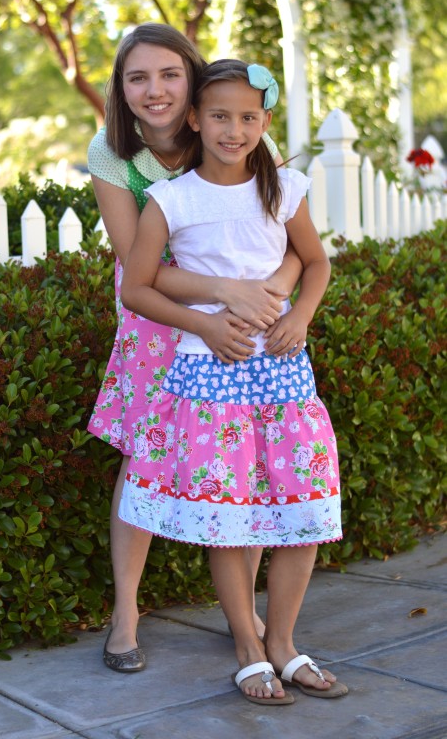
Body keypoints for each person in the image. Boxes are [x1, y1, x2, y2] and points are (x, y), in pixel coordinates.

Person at [119, 58, 348, 704]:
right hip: (210, 372)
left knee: (305, 504)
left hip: (284, 372)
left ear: (265, 121)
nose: (234, 129)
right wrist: (207, 325)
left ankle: (283, 641)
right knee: (232, 514)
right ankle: (247, 649)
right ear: (195, 118)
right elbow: (139, 286)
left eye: (249, 117)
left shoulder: (286, 187)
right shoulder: (172, 198)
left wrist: (300, 313)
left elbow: (316, 259)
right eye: (219, 115)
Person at [87, 24, 303, 673]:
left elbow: (291, 241)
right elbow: (137, 262)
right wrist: (220, 296)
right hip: (162, 322)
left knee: (248, 454)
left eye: (169, 74)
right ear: (121, 90)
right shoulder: (113, 154)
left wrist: (269, 295)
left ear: (192, 75)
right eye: (137, 78)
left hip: (244, 326)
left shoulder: (233, 123)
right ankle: (125, 611)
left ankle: (243, 616)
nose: (155, 90)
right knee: (146, 456)